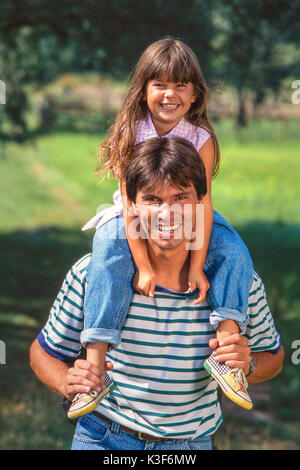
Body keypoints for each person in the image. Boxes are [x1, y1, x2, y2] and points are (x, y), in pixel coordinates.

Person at [30, 137, 284, 451]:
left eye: (181, 197)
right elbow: (43, 353)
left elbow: (273, 356)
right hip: (104, 438)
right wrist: (65, 381)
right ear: (131, 205)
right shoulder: (95, 273)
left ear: (201, 201)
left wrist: (249, 364)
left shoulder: (236, 279)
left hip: (190, 446)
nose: (168, 213)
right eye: (152, 199)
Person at [66, 37, 255, 419]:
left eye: (181, 85)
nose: (170, 94)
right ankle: (97, 364)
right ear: (144, 89)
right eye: (161, 84)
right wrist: (145, 266)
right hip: (138, 215)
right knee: (106, 245)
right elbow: (131, 205)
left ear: (195, 94)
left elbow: (202, 203)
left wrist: (198, 264)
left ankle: (227, 352)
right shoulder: (130, 132)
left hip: (190, 214)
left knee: (234, 248)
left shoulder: (200, 139)